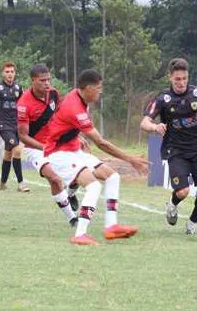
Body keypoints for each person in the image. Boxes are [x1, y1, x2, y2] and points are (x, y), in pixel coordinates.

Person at [44, 69, 149, 245]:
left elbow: (60, 122)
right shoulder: (75, 108)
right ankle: (79, 234)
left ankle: (111, 226)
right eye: (98, 88)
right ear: (87, 88)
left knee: (112, 177)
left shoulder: (79, 98)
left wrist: (76, 136)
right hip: (58, 154)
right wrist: (130, 159)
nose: (100, 91)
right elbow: (101, 143)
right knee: (93, 186)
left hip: (73, 150)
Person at [140, 58, 197, 235]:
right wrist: (155, 127)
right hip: (176, 150)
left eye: (184, 78)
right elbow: (144, 122)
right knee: (182, 191)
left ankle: (193, 222)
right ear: (170, 78)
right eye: (177, 79)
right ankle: (172, 205)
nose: (181, 83)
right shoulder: (163, 99)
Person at [17, 64, 79, 227]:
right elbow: (23, 136)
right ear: (32, 81)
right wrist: (43, 148)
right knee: (54, 179)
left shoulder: (53, 94)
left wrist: (74, 133)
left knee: (80, 173)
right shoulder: (24, 104)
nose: (46, 84)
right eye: (42, 80)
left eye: (48, 80)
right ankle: (72, 218)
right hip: (36, 148)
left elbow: (62, 115)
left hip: (56, 142)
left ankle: (71, 193)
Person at [0, 61, 30, 192]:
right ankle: (21, 183)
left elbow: (24, 107)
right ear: (2, 73)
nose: (10, 74)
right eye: (7, 72)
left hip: (16, 125)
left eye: (12, 71)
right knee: (17, 149)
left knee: (8, 153)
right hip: (3, 125)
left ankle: (2, 183)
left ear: (15, 73)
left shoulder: (19, 88)